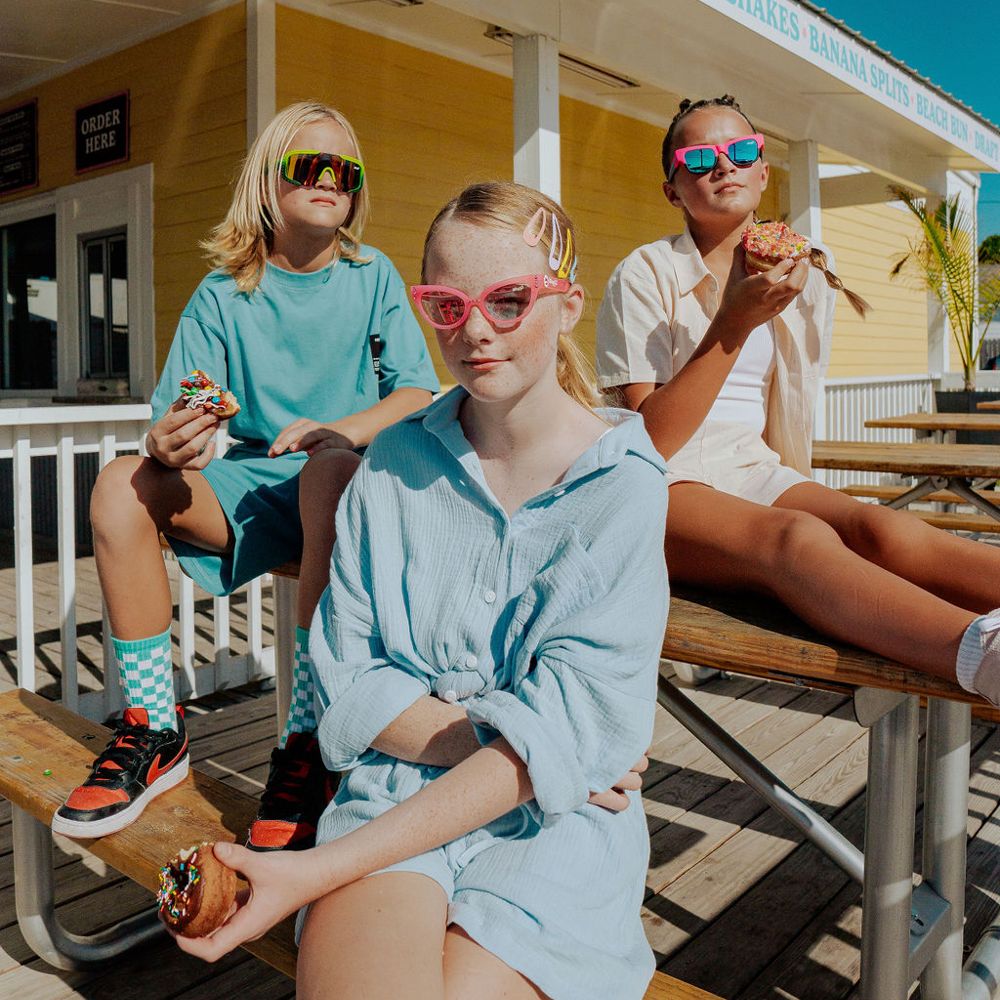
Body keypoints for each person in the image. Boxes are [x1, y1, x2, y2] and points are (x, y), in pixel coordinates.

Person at [174, 181, 669, 1000]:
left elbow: (568, 728)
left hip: (560, 831)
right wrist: (526, 747)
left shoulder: (623, 485)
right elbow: (343, 678)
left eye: (509, 300)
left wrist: (549, 751)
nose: (473, 330)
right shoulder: (394, 464)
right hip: (392, 797)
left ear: (569, 302)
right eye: (444, 304)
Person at [52, 101, 439, 844]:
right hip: (256, 482)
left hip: (351, 481)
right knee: (119, 484)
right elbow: (181, 416)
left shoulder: (371, 276)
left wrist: (341, 431)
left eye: (344, 170)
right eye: (308, 165)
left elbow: (417, 389)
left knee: (328, 471)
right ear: (267, 181)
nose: (328, 179)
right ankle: (153, 729)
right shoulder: (225, 291)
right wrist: (172, 445)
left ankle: (307, 742)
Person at [596, 94, 1000, 707]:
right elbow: (647, 444)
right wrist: (732, 324)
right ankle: (981, 656)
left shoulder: (803, 265)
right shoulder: (642, 275)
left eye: (741, 151)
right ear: (672, 188)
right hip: (659, 484)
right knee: (797, 540)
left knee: (880, 526)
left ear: (764, 172)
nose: (722, 165)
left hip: (752, 466)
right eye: (698, 156)